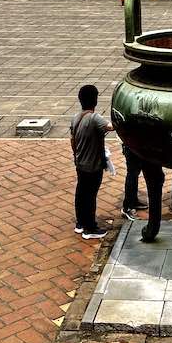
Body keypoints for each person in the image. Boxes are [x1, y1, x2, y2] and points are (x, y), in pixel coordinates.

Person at [70, 84, 115, 239]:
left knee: (81, 193)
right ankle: (90, 229)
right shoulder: (95, 118)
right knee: (90, 195)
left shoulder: (76, 117)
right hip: (92, 166)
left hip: (80, 163)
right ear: (95, 100)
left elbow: (72, 140)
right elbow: (111, 126)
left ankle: (80, 223)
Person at [120, 145, 149, 220]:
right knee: (132, 175)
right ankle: (127, 207)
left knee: (135, 174)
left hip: (137, 146)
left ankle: (133, 200)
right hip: (131, 146)